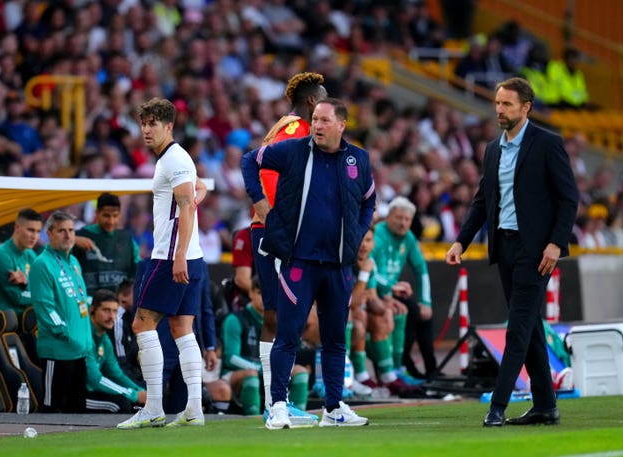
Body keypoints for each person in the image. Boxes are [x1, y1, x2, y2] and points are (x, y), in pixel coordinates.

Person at [446, 77, 579, 427]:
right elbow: (481, 201)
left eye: (506, 104)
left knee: (517, 327)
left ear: (526, 107)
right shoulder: (493, 148)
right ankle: (546, 405)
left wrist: (555, 243)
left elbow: (569, 198)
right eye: (497, 103)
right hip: (504, 247)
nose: (499, 109)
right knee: (530, 325)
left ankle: (497, 407)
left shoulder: (547, 144)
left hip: (536, 251)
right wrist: (461, 240)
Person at [242, 97, 375, 429]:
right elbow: (249, 161)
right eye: (314, 119)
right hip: (299, 262)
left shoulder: (358, 159)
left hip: (338, 265)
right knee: (288, 334)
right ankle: (277, 406)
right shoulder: (293, 150)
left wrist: (356, 236)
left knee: (335, 338)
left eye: (324, 120)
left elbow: (369, 200)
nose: (316, 125)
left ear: (341, 125)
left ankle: (333, 408)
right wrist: (260, 204)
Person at [117, 97, 210, 429]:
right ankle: (194, 410)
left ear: (169, 126)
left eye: (153, 123)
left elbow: (187, 205)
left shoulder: (173, 160)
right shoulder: (177, 159)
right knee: (182, 330)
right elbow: (196, 193)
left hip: (171, 258)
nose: (146, 129)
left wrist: (179, 255)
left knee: (142, 325)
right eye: (143, 123)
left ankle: (153, 407)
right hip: (190, 257)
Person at [249, 72, 327, 424]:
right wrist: (273, 212)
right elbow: (266, 169)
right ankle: (275, 402)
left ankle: (272, 402)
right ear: (312, 101)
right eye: (323, 99)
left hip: (268, 229)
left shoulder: (283, 126)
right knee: (285, 317)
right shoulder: (297, 129)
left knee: (275, 315)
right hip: (277, 232)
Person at [30, 210, 92, 413]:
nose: (68, 235)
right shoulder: (41, 264)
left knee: (77, 411)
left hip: (79, 350)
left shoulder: (74, 262)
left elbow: (79, 301)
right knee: (52, 409)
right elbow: (45, 307)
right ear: (49, 233)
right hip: (57, 351)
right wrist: (65, 332)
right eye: (61, 231)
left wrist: (84, 339)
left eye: (71, 230)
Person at [220, 276, 310, 416]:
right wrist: (260, 368)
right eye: (260, 293)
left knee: (300, 371)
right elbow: (230, 358)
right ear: (250, 293)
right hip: (238, 373)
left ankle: (297, 414)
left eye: (271, 293)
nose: (265, 297)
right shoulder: (235, 319)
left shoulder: (281, 320)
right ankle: (254, 418)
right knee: (252, 375)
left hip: (271, 371)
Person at [372, 197, 437, 383]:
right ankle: (402, 366)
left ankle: (431, 370)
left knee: (424, 313)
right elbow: (369, 268)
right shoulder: (378, 234)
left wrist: (426, 301)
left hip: (393, 291)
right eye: (399, 218)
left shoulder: (408, 238)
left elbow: (421, 269)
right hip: (375, 292)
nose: (403, 223)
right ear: (388, 216)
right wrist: (391, 286)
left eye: (407, 220)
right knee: (411, 311)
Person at [86, 289, 146, 413]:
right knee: (120, 404)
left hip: (93, 392)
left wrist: (139, 391)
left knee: (135, 403)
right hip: (77, 396)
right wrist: (134, 394)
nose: (112, 317)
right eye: (106, 310)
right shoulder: (85, 337)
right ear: (92, 310)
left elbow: (116, 374)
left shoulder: (104, 339)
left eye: (115, 311)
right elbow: (95, 380)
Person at [72, 192, 140, 297]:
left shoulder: (127, 239)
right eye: (106, 216)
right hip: (90, 303)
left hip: (118, 305)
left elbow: (138, 269)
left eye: (115, 216)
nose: (111, 221)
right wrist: (72, 240)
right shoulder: (79, 236)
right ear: (97, 213)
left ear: (120, 215)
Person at [0, 208, 42, 314]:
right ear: (17, 227)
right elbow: (18, 297)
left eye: (38, 232)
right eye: (30, 230)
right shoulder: (0, 256)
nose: (35, 237)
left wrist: (27, 283)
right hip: (0, 325)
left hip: (23, 323)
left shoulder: (31, 255)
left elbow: (44, 288)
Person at [108, 278, 143, 385]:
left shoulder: (130, 316)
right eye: (137, 292)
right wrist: (140, 384)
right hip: (123, 379)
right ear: (123, 298)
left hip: (133, 373)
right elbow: (121, 362)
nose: (140, 297)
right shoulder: (117, 320)